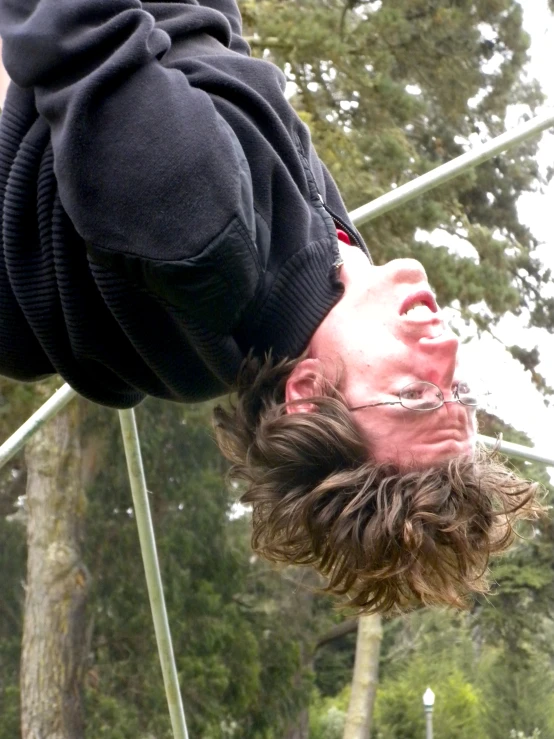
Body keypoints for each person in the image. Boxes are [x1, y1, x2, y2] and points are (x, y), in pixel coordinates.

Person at [0, 0, 540, 613]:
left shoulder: (200, 226)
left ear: (308, 393)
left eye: (415, 395)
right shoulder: (313, 272)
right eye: (458, 392)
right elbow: (204, 35)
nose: (446, 352)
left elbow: (62, 28)